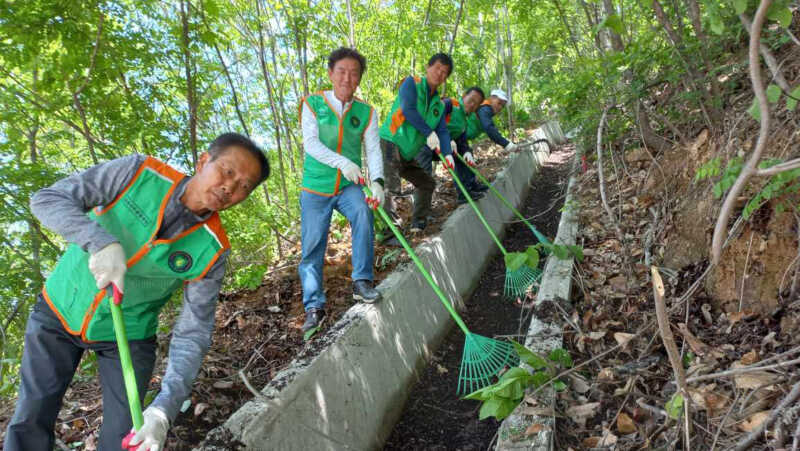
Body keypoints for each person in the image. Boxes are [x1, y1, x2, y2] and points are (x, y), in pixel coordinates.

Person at [4, 133, 270, 451]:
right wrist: (100, 241)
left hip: (128, 336)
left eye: (244, 186)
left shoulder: (212, 250)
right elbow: (47, 199)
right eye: (227, 171)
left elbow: (192, 333)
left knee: (127, 438)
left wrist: (163, 410)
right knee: (30, 420)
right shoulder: (138, 174)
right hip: (59, 310)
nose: (231, 187)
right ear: (203, 161)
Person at [297, 47, 384, 336]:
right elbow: (310, 144)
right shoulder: (313, 104)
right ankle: (313, 306)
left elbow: (372, 150)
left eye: (354, 72)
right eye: (342, 71)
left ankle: (361, 282)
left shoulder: (366, 112)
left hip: (349, 185)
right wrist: (342, 162)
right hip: (315, 187)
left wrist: (378, 183)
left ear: (359, 78)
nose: (348, 77)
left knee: (362, 213)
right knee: (312, 246)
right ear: (331, 74)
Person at [379, 53, 456, 235]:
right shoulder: (411, 83)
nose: (440, 74)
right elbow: (408, 109)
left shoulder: (438, 104)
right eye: (437, 68)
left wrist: (447, 154)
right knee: (390, 188)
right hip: (391, 141)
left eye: (444, 72)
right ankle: (387, 233)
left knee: (427, 183)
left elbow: (443, 130)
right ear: (428, 67)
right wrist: (428, 132)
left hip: (407, 152)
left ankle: (418, 223)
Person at [416, 86, 487, 204]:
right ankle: (419, 219)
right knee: (425, 180)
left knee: (464, 154)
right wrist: (447, 140)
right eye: (471, 100)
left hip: (441, 147)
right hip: (424, 144)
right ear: (464, 96)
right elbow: (434, 119)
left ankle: (465, 192)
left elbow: (462, 141)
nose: (472, 105)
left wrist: (466, 152)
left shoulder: (465, 119)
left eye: (476, 104)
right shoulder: (450, 104)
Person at [472, 88, 519, 153]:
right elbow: (489, 128)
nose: (500, 107)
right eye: (499, 103)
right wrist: (507, 144)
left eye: (502, 106)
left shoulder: (487, 111)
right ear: (491, 98)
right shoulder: (485, 108)